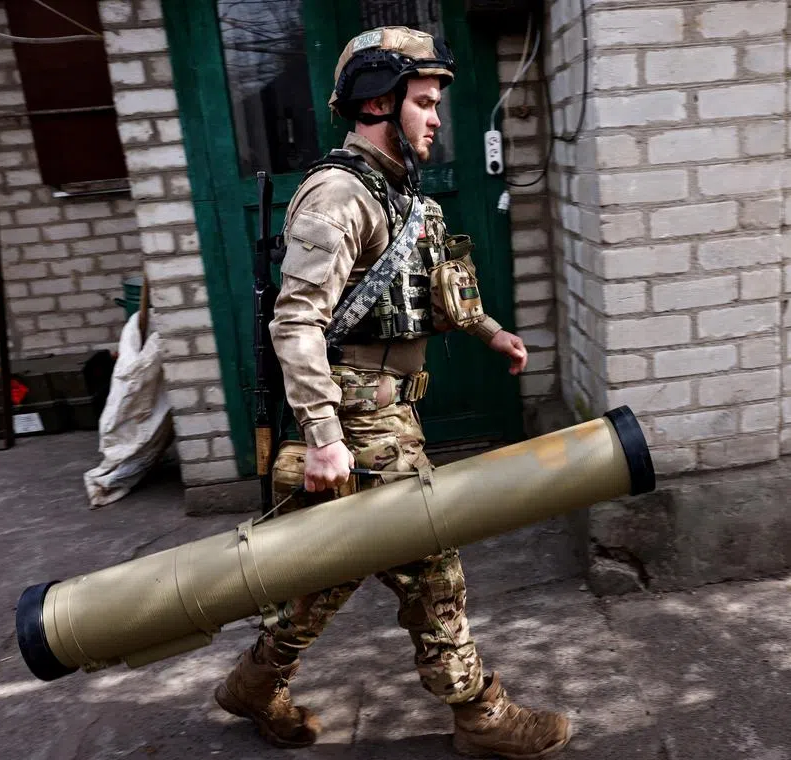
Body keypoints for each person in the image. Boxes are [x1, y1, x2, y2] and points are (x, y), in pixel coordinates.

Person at [213, 26, 572, 759]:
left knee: (330, 567)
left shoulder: (400, 192)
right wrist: (322, 437)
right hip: (357, 415)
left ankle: (255, 681)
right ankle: (481, 712)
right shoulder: (337, 196)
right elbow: (296, 323)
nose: (437, 117)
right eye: (425, 101)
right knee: (432, 565)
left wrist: (490, 332)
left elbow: (439, 290)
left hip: (386, 407)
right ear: (379, 101)